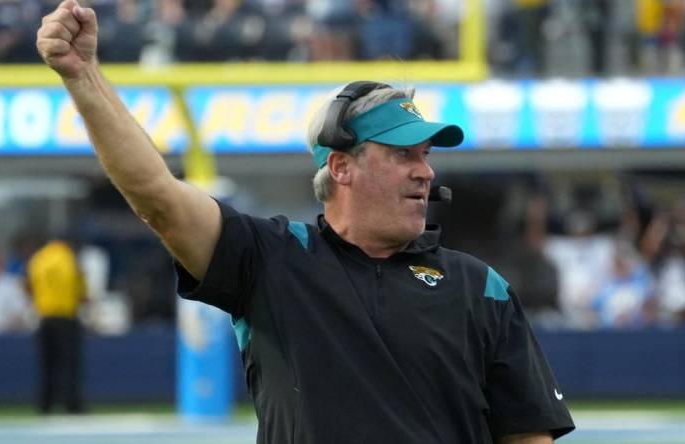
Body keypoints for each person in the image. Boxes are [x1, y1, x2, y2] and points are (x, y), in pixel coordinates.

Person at [36, 1, 575, 442]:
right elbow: (156, 195)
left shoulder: (481, 288)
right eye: (403, 155)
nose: (425, 172)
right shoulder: (271, 261)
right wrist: (84, 77)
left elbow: (527, 436)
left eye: (427, 155)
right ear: (340, 166)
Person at [26, 236, 87, 414]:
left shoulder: (38, 259)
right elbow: (80, 289)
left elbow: (29, 285)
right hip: (67, 318)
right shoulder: (70, 259)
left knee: (47, 364)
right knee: (69, 365)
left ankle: (45, 405)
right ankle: (72, 405)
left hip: (44, 318)